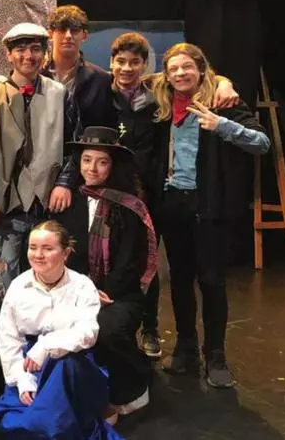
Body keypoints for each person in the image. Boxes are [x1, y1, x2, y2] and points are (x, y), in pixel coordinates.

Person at [108, 32, 242, 359]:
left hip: (164, 197)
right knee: (135, 267)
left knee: (188, 274)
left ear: (145, 65)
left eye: (135, 62)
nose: (127, 68)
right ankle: (141, 338)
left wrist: (223, 83)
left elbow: (196, 77)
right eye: (120, 62)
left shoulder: (160, 93)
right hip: (121, 195)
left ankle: (173, 339)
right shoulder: (105, 89)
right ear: (111, 63)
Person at [150, 43, 270, 388]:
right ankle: (186, 348)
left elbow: (262, 143)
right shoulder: (161, 105)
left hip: (210, 207)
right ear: (166, 75)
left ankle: (216, 356)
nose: (180, 73)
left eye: (187, 67)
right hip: (173, 205)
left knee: (212, 282)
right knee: (180, 280)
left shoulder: (223, 103)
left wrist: (222, 125)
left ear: (201, 69)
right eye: (173, 69)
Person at [0, 23, 69, 358]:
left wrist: (63, 183)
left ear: (45, 53)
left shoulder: (59, 94)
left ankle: (45, 354)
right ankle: (7, 358)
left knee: (48, 281)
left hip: (45, 206)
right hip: (6, 207)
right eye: (21, 49)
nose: (29, 56)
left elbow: (72, 145)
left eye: (36, 49)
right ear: (9, 54)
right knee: (2, 284)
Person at [53, 126, 157, 422]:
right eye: (87, 160)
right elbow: (62, 253)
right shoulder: (68, 200)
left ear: (113, 166)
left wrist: (103, 292)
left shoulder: (129, 206)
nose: (92, 169)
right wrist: (82, 291)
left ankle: (131, 386)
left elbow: (130, 262)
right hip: (74, 288)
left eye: (102, 162)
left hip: (117, 293)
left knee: (106, 330)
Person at [0, 221, 121, 440]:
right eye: (33, 247)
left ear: (65, 253)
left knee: (45, 419)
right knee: (18, 422)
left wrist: (47, 345)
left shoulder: (82, 285)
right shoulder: (18, 287)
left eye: (47, 248)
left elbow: (87, 333)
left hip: (72, 365)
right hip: (30, 365)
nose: (38, 255)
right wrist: (22, 379)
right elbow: (9, 339)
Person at [41, 4, 116, 142]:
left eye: (74, 30)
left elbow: (105, 128)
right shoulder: (36, 75)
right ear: (50, 34)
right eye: (62, 29)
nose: (68, 36)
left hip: (84, 153)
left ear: (84, 35)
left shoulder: (102, 79)